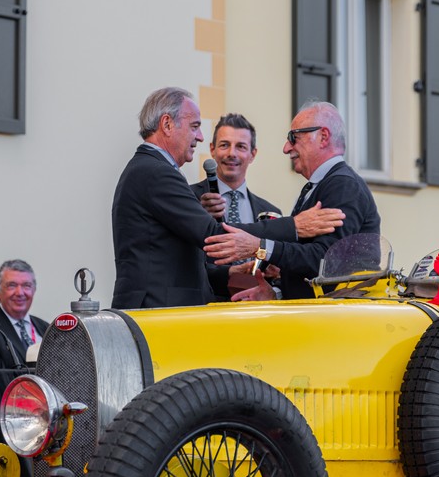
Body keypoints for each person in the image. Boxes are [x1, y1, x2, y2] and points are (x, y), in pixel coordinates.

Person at [111, 87, 344, 310]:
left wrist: (229, 274)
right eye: (194, 127)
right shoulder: (156, 172)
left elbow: (176, 257)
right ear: (167, 124)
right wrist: (295, 226)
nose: (199, 137)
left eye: (241, 146)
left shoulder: (151, 169)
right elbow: (214, 236)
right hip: (156, 312)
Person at [205, 101, 381, 301]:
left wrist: (261, 247)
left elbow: (325, 260)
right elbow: (312, 267)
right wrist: (276, 293)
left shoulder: (342, 184)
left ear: (323, 137)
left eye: (293, 137)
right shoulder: (323, 184)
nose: (286, 148)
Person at [191, 113, 281, 299]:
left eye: (241, 146)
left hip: (254, 313)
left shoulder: (272, 212)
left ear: (252, 154)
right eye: (225, 145)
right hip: (202, 309)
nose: (232, 153)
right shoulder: (189, 199)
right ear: (212, 149)